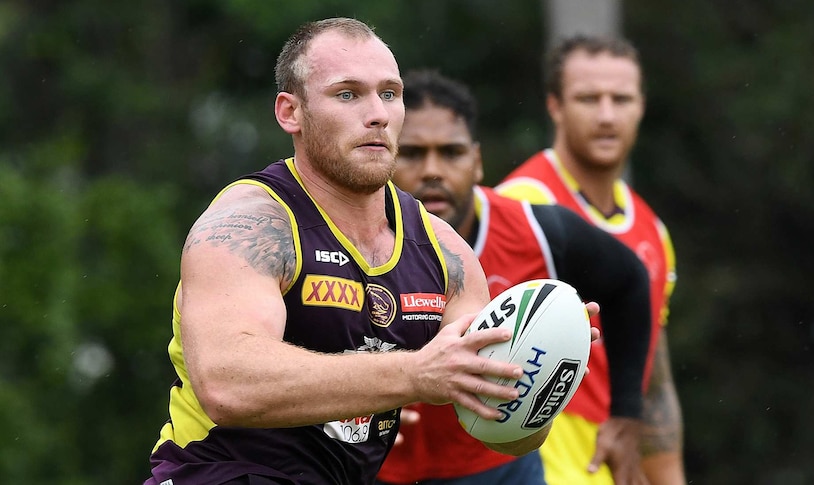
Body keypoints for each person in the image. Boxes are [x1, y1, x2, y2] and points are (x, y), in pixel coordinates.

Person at [144, 18, 580, 485]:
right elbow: (228, 385)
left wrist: (543, 375)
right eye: (348, 94)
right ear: (291, 112)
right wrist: (414, 373)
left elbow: (499, 431)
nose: (377, 114)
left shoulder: (444, 251)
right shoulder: (249, 224)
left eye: (390, 94)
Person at [376, 70, 652, 485]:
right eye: (412, 153)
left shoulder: (539, 232)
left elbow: (630, 280)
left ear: (477, 161)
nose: (433, 170)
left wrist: (627, 414)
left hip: (501, 467)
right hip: (380, 469)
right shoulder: (345, 242)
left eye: (451, 153)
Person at [496, 34, 686, 484]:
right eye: (588, 98)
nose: (606, 115)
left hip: (609, 465)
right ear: (555, 107)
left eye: (621, 99)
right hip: (533, 460)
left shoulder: (652, 230)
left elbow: (652, 374)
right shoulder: (521, 207)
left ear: (641, 106)